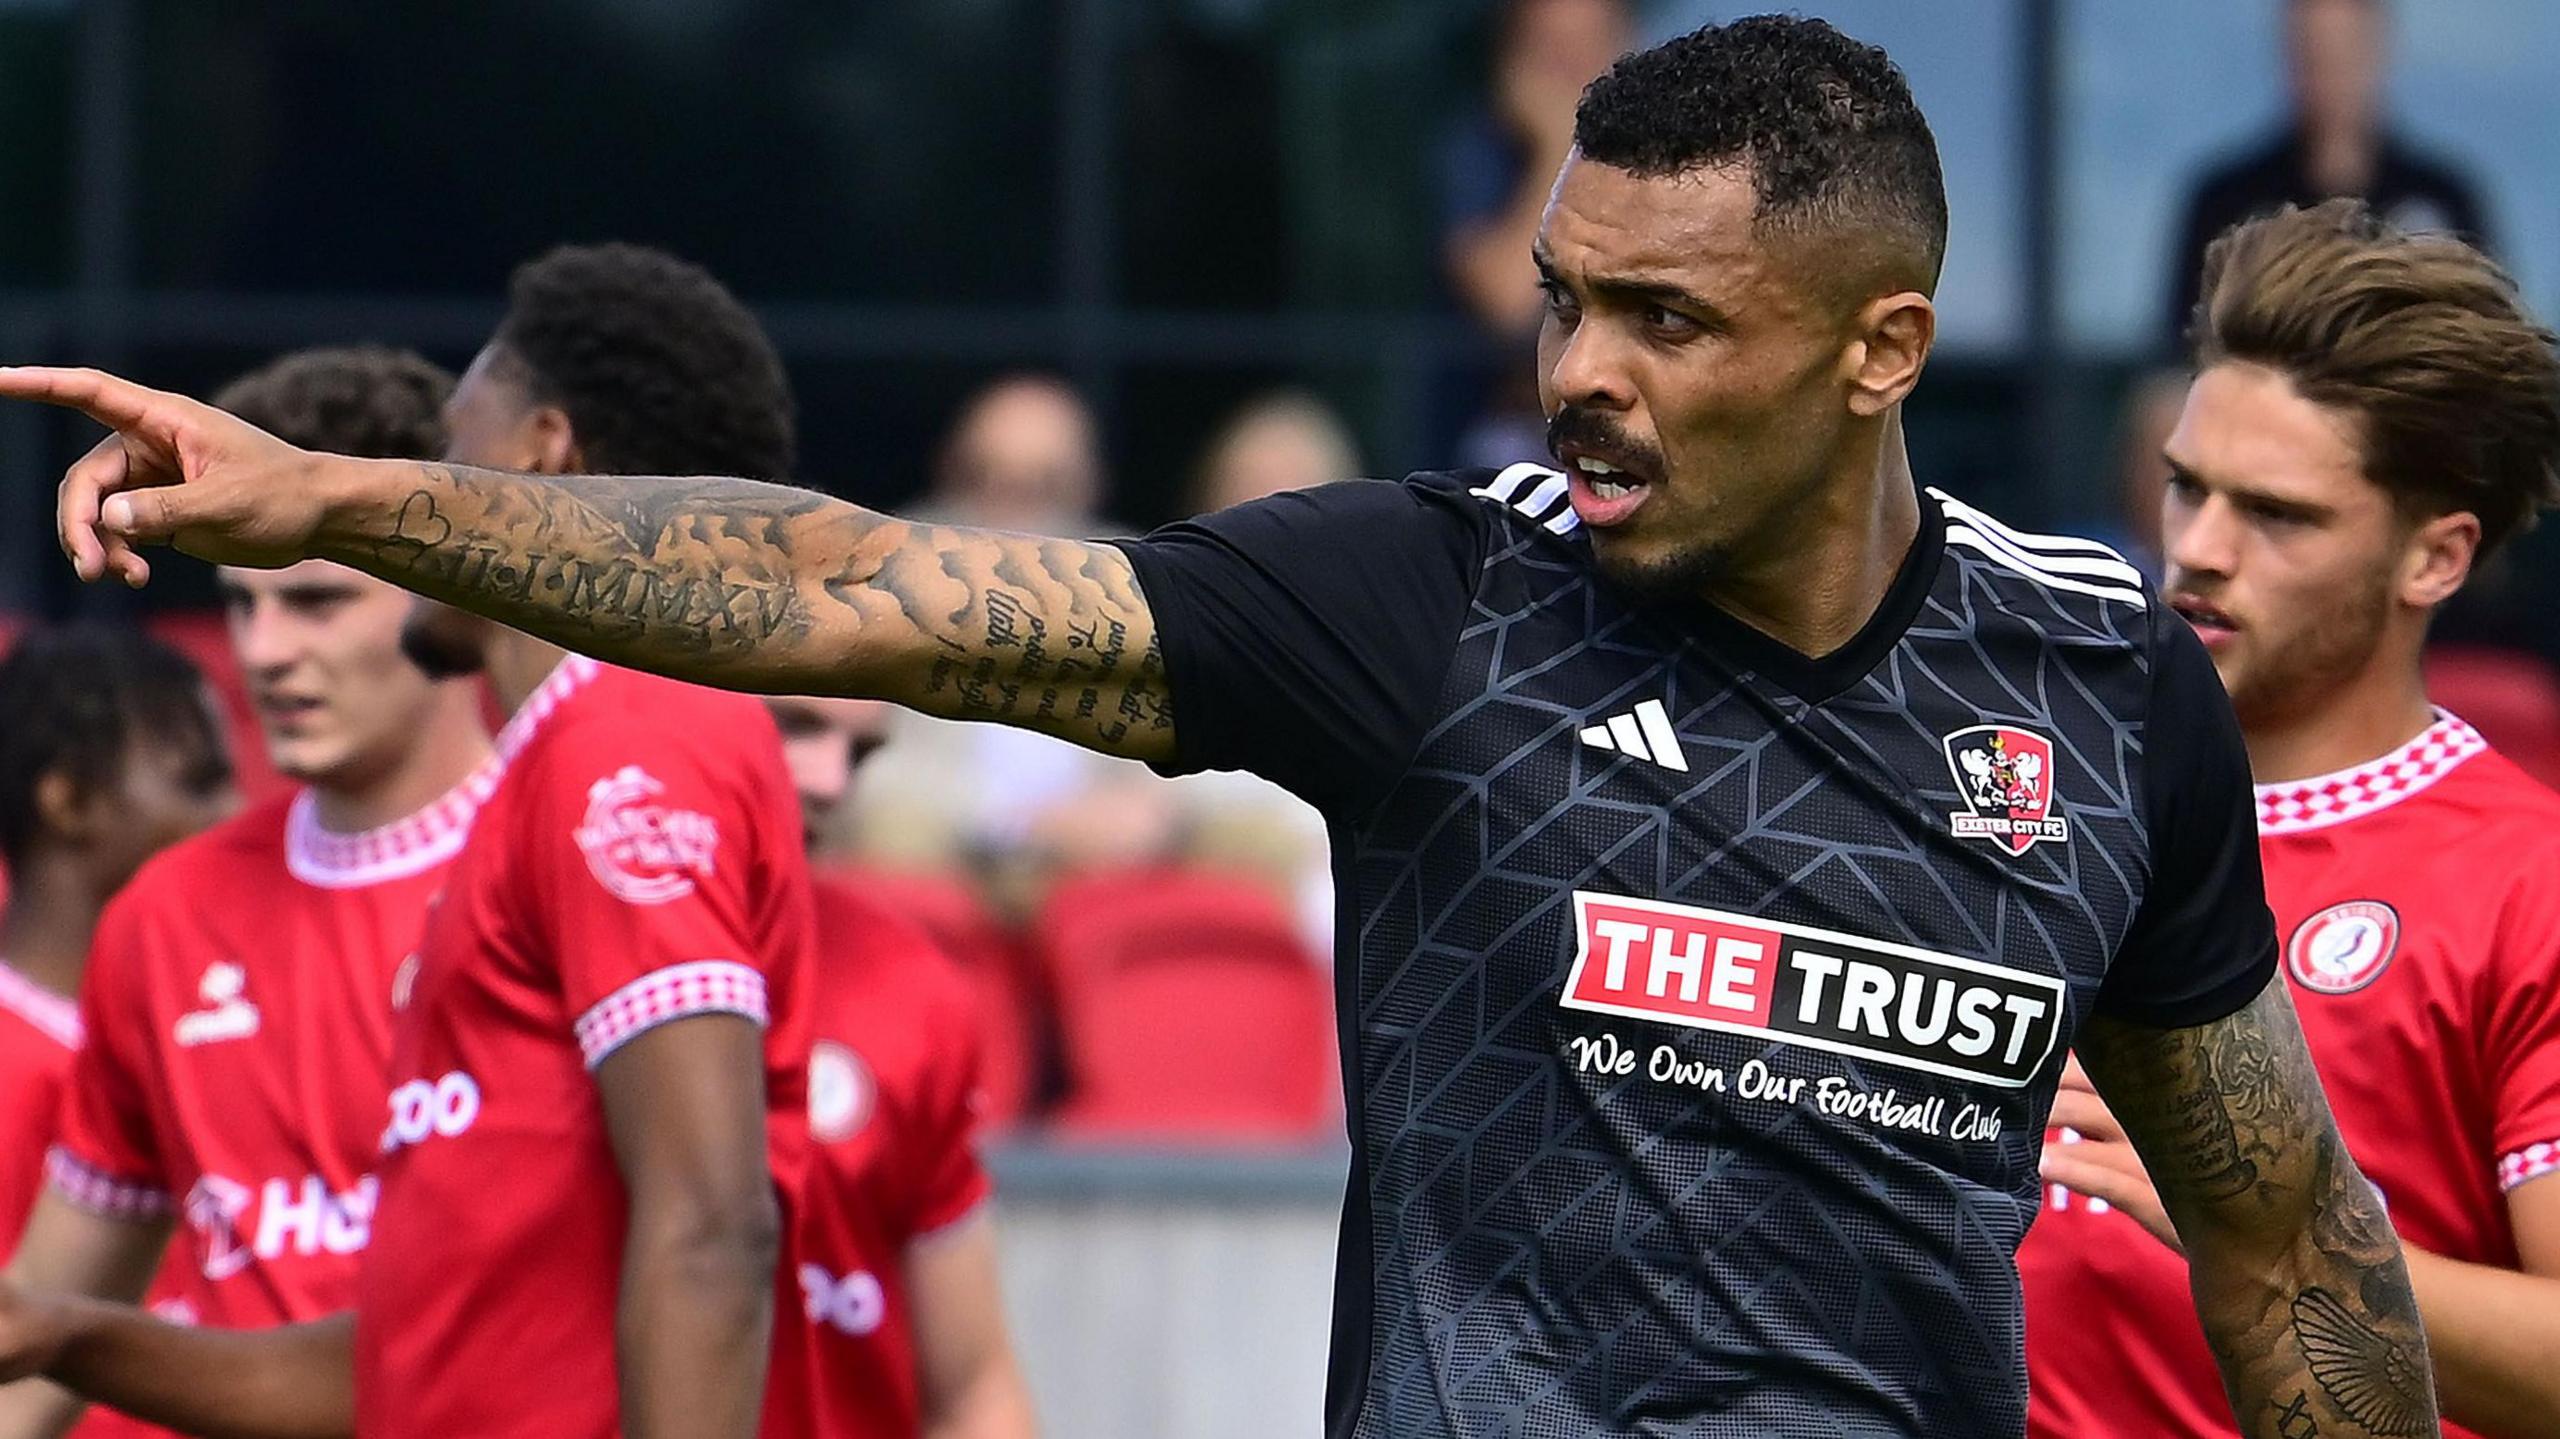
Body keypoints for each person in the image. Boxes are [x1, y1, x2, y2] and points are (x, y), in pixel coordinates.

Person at [7, 17, 2442, 1438]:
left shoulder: (2097, 685)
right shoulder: (1427, 600)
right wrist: (353, 496)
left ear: (1879, 350)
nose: (1578, 369)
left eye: (1667, 327)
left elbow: (2283, 1227)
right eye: (1566, 295)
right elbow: (841, 585)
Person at [3, 244, 820, 1439]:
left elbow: (711, 1225)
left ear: (541, 450)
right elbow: (416, 1359)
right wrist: (63, 1331)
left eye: (442, 453)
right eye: (245, 607)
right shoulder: (558, 768)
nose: (269, 650)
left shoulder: (626, 742)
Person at [2020, 202, 2560, 1438]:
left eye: (2276, 513)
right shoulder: (2031, 805)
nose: (2198, 550)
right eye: (2184, 488)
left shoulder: (2528, 884)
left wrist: (2271, 1221)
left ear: (2435, 557)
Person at [0, 347, 482, 1439]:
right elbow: (38, 1342)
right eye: (241, 608)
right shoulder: (164, 912)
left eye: (315, 601)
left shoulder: (563, 859)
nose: (264, 653)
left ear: (450, 581)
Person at [764, 693, 1036, 1439]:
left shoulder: (907, 987)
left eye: (861, 752)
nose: (831, 781)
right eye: (792, 724)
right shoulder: (516, 943)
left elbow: (974, 1389)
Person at [0, 625, 237, 1257]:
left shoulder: (193, 1024)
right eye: (200, 784)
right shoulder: (14, 1076)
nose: (239, 814)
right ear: (68, 802)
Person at [2162, 0, 2491, 349]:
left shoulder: (2444, 201)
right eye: (2311, 55)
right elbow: (2176, 358)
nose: (2327, 75)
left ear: (2381, 48)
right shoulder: (2225, 203)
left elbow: (2493, 347)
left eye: (2343, 53)